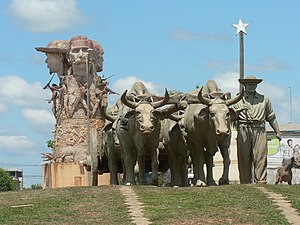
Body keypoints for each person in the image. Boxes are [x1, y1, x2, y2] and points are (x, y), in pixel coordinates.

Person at [233, 75, 281, 184]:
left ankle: (261, 181)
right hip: (243, 128)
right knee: (244, 156)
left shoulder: (264, 99)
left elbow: (271, 117)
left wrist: (277, 131)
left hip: (259, 128)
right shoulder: (237, 99)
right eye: (249, 84)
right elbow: (231, 117)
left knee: (260, 155)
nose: (251, 86)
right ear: (244, 85)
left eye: (254, 84)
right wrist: (239, 110)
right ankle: (245, 182)